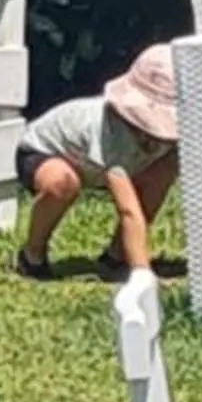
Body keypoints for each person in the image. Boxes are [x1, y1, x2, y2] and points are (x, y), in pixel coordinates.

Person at [13, 45, 180, 280]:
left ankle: (116, 257)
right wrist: (143, 275)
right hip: (45, 152)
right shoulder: (111, 134)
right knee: (62, 183)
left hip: (103, 167)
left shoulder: (168, 141)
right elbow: (128, 210)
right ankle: (32, 256)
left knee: (163, 171)